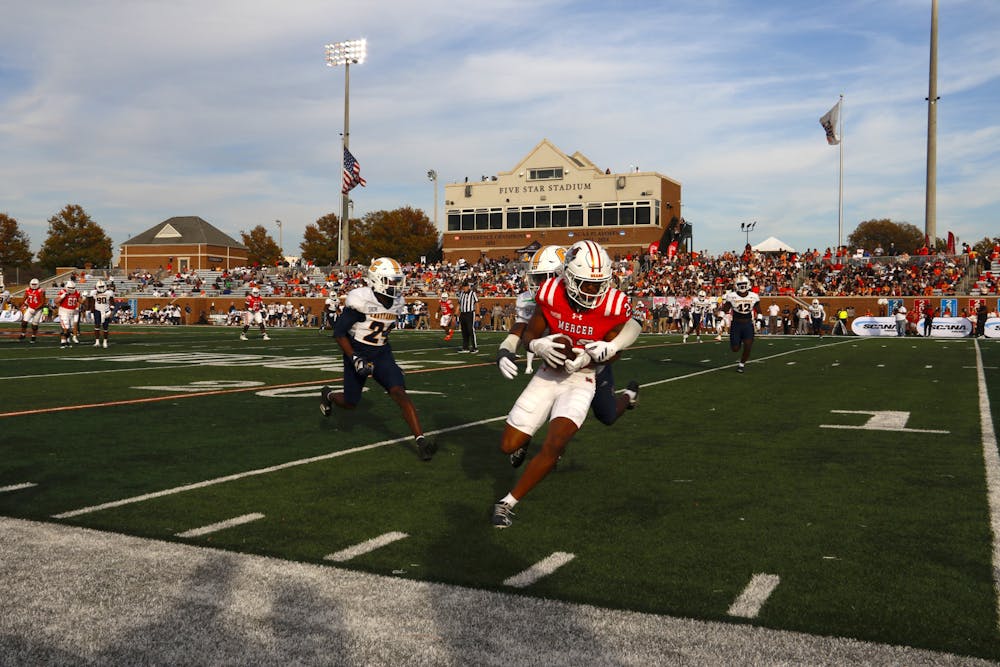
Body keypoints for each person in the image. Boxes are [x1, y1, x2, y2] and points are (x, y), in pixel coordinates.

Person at [492, 240, 634, 528]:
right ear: (568, 277)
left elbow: (626, 335)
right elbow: (530, 332)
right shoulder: (549, 293)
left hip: (583, 379)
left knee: (555, 444)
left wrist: (607, 351)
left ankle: (507, 503)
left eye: (599, 284)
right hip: (548, 374)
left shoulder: (614, 303)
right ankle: (526, 442)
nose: (595, 291)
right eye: (587, 284)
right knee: (508, 446)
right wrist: (536, 346)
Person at [320, 257, 436, 461]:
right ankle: (328, 395)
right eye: (391, 280)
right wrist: (355, 358)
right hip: (356, 350)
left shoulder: (397, 301)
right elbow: (339, 332)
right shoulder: (361, 299)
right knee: (350, 403)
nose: (395, 285)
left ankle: (421, 441)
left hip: (381, 352)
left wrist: (390, 363)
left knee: (400, 393)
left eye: (396, 280)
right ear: (377, 280)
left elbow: (385, 329)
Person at [721, 275, 759, 373]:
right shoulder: (731, 296)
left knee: (748, 345)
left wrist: (759, 320)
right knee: (735, 348)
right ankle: (737, 341)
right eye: (740, 284)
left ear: (748, 285)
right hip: (736, 324)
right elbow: (726, 308)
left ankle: (741, 364)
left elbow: (758, 309)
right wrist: (720, 317)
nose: (742, 286)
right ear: (736, 285)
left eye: (744, 284)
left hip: (748, 324)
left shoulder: (753, 296)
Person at [18, 278, 47, 343]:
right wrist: (21, 304)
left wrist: (36, 308)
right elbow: (24, 298)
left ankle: (33, 336)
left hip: (38, 310)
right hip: (30, 308)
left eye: (35, 284)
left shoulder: (41, 291)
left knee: (34, 325)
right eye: (32, 284)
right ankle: (23, 334)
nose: (34, 285)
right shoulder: (28, 290)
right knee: (24, 322)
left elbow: (43, 302)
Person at [56, 280, 82, 348]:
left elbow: (80, 301)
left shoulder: (77, 292)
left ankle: (67, 341)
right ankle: (63, 342)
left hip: (72, 312)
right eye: (70, 288)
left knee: (69, 328)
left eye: (73, 288)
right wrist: (62, 296)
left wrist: (84, 297)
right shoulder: (63, 292)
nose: (71, 289)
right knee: (66, 328)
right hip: (64, 311)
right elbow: (56, 301)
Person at [90, 281, 117, 348]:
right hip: (97, 311)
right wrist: (92, 312)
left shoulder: (108, 293)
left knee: (105, 327)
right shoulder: (94, 293)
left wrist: (110, 311)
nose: (101, 288)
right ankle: (97, 342)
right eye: (100, 287)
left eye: (102, 286)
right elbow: (92, 303)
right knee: (97, 326)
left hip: (106, 311)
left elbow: (112, 303)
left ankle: (105, 341)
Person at [457, 281, 479, 353]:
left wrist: (477, 314)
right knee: (464, 331)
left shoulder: (473, 293)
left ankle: (475, 347)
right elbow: (459, 305)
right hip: (463, 313)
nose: (464, 288)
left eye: (466, 286)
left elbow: (477, 304)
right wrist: (455, 315)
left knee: (470, 330)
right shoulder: (461, 294)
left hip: (470, 313)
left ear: (468, 286)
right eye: (463, 287)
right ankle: (465, 347)